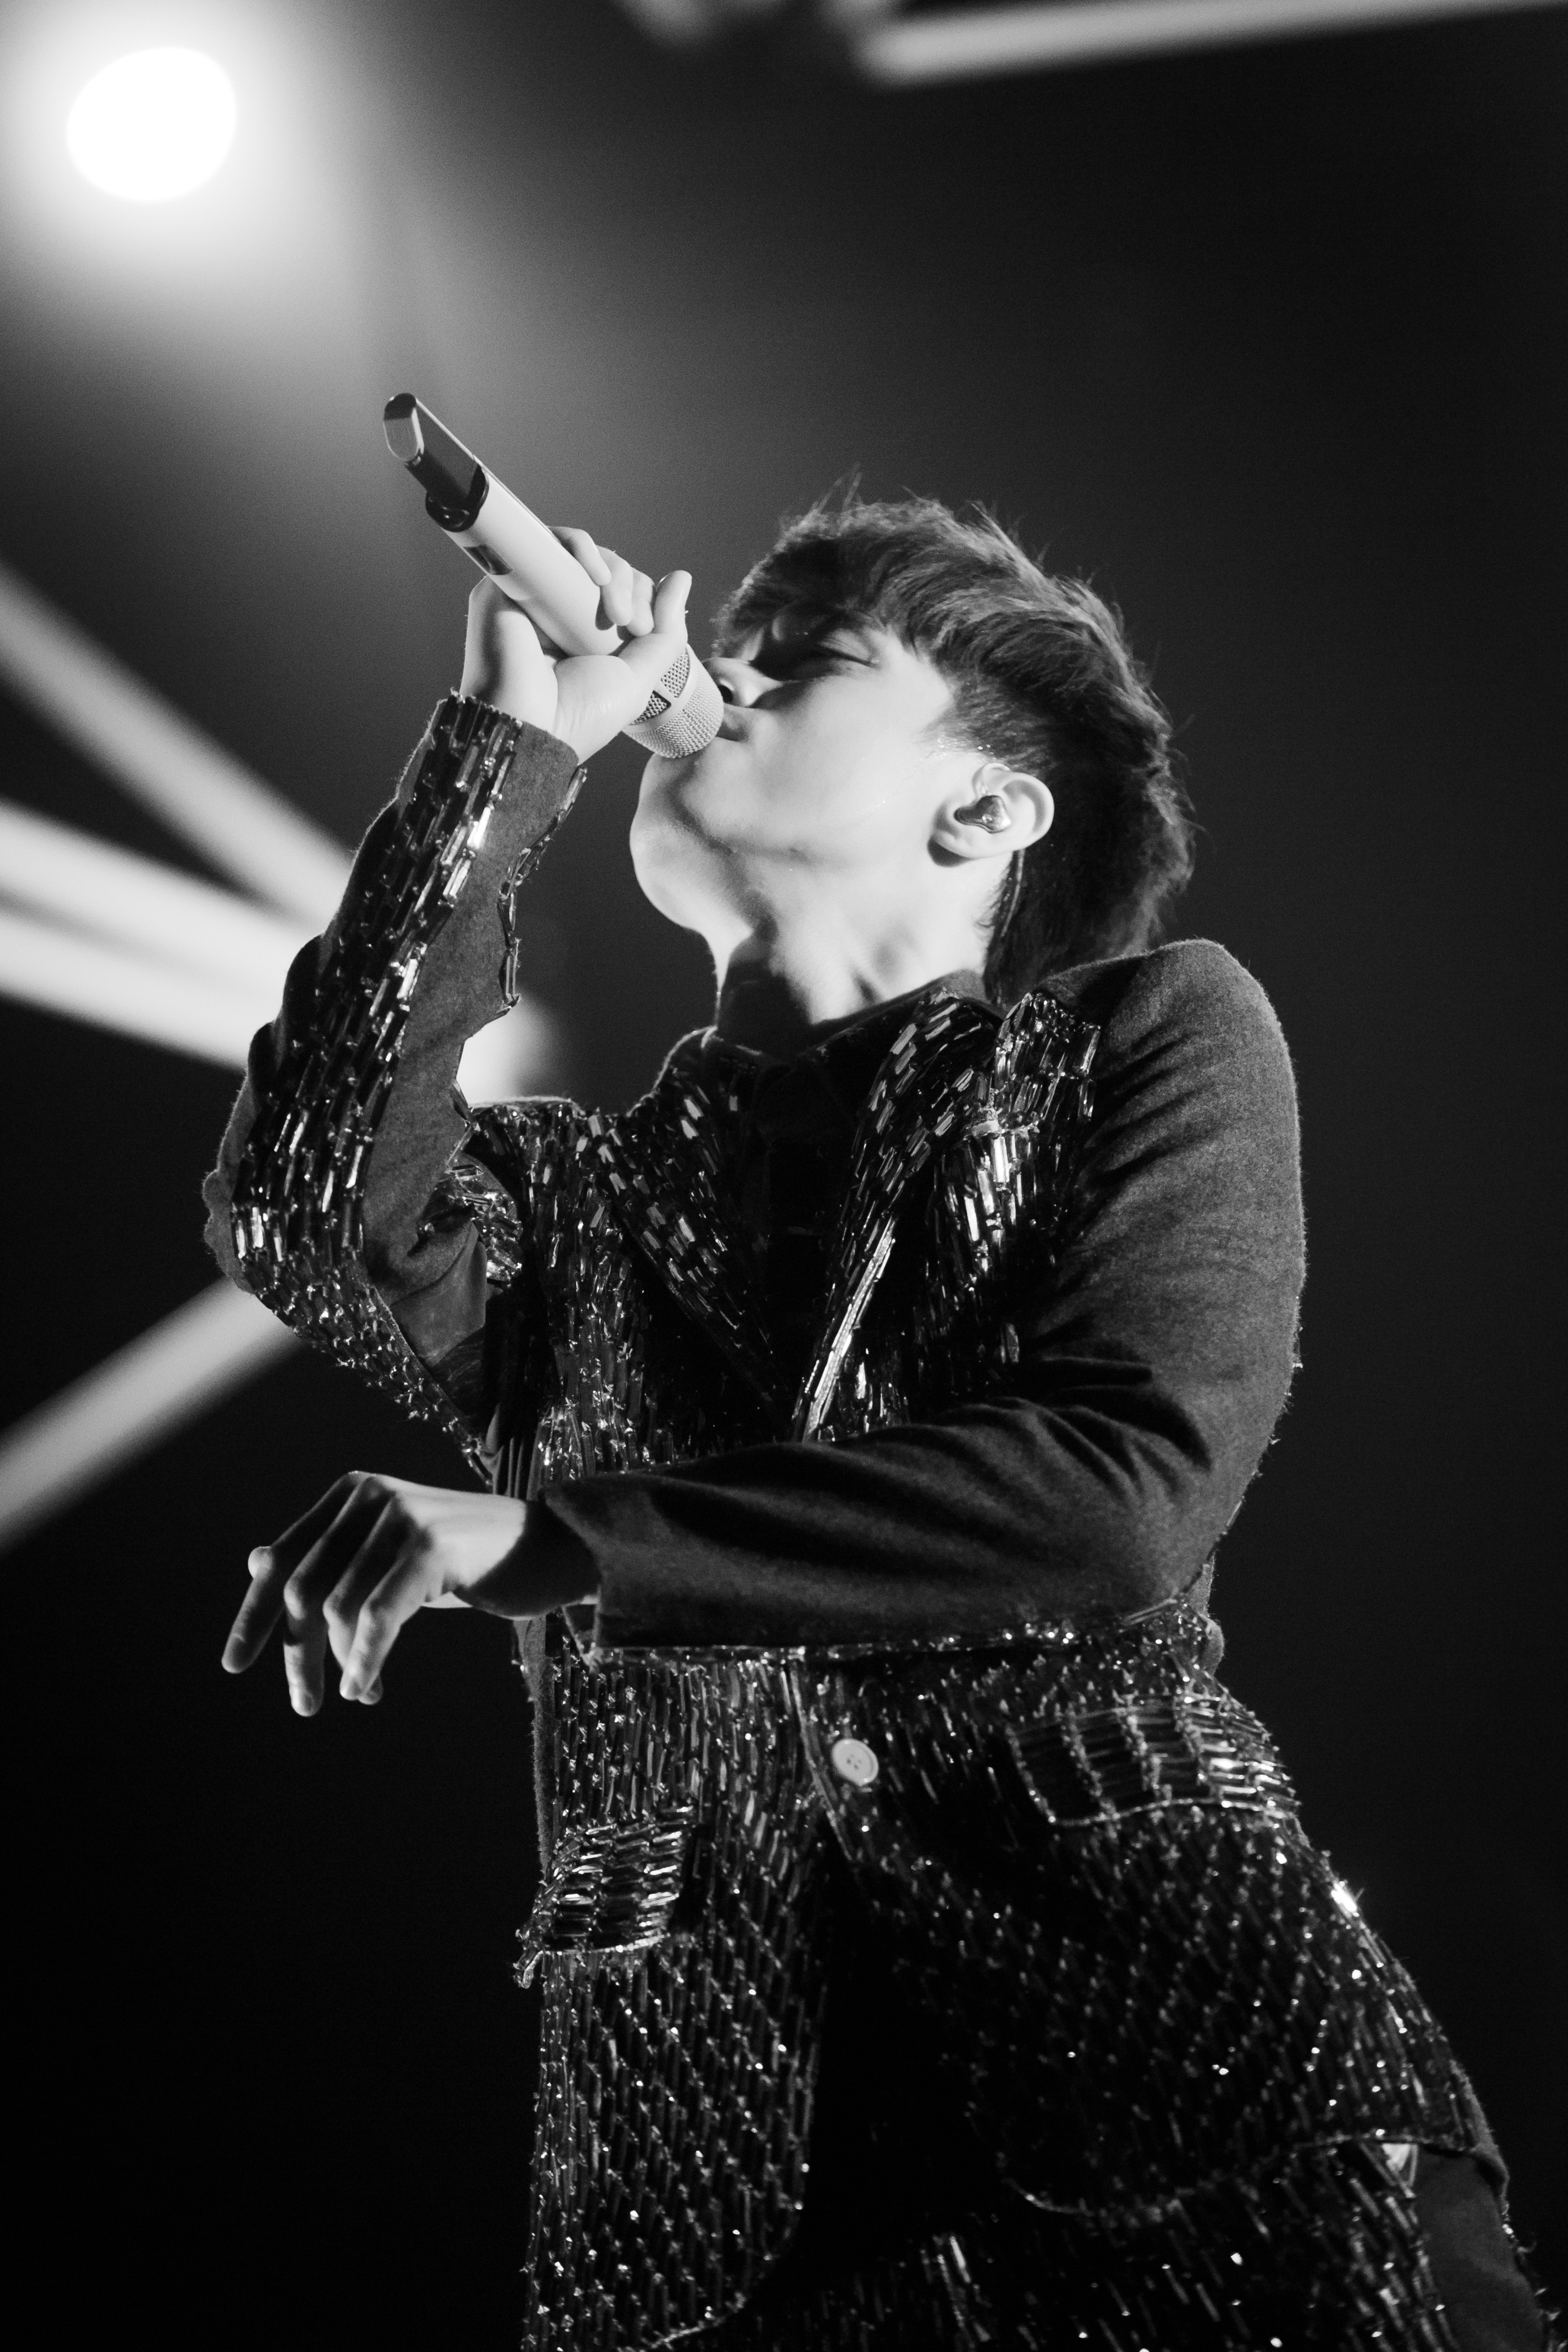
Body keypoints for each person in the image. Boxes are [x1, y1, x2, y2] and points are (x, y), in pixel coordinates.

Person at [206, 496, 1553, 2350]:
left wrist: (561, 1539)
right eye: (733, 649)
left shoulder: (1146, 1038)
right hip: (713, 2209)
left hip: (1205, 2116)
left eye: (807, 659)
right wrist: (499, 753)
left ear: (989, 809)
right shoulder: (572, 1208)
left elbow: (1117, 1488)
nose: (719, 675)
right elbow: (303, 1204)